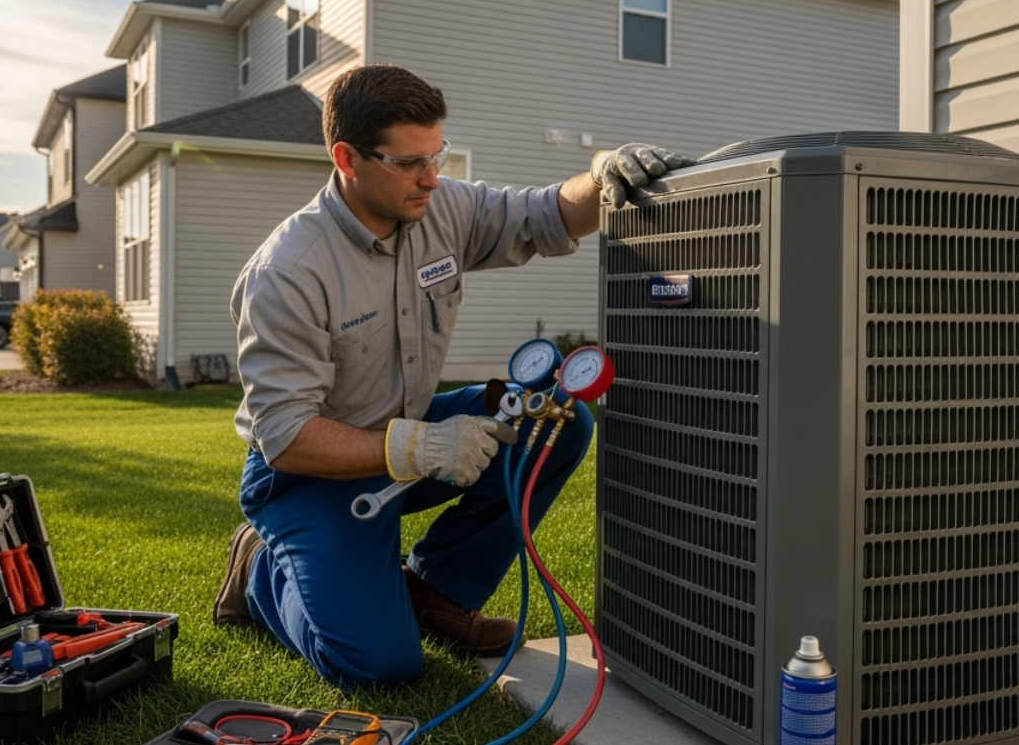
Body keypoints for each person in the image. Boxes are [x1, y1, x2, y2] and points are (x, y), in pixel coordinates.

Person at [216, 63, 691, 687]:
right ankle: (258, 570)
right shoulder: (289, 272)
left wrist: (602, 177)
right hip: (307, 476)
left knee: (558, 419)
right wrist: (422, 446)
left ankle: (435, 589)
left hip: (408, 433)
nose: (432, 177)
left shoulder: (441, 208)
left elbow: (547, 214)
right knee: (379, 665)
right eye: (409, 162)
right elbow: (285, 435)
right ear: (347, 159)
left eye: (436, 155)